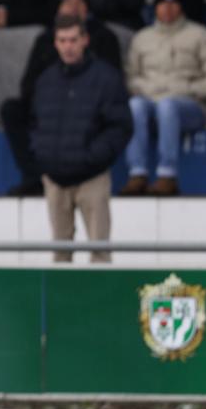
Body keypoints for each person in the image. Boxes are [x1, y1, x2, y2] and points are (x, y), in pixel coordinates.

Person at [30, 14, 131, 262]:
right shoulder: (46, 80)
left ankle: (102, 302)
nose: (68, 46)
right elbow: (34, 124)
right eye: (62, 40)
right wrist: (44, 159)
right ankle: (59, 302)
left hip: (92, 178)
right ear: (55, 43)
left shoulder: (106, 78)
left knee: (100, 253)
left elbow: (121, 126)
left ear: (85, 40)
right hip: (55, 180)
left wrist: (92, 158)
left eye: (73, 40)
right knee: (60, 255)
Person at [1, 0, 122, 196]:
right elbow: (29, 84)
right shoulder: (45, 39)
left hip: (87, 107)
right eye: (67, 5)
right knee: (11, 109)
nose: (72, 9)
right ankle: (35, 178)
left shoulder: (104, 37)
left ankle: (82, 175)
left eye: (78, 4)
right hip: (48, 106)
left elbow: (113, 85)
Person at [121, 0, 206, 196]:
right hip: (150, 102)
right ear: (155, 6)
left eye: (173, 3)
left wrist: (188, 88)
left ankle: (167, 175)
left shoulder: (200, 35)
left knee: (168, 105)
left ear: (181, 6)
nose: (167, 8)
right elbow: (130, 77)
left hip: (190, 106)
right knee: (134, 105)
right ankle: (137, 174)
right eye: (163, 3)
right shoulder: (142, 38)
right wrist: (148, 88)